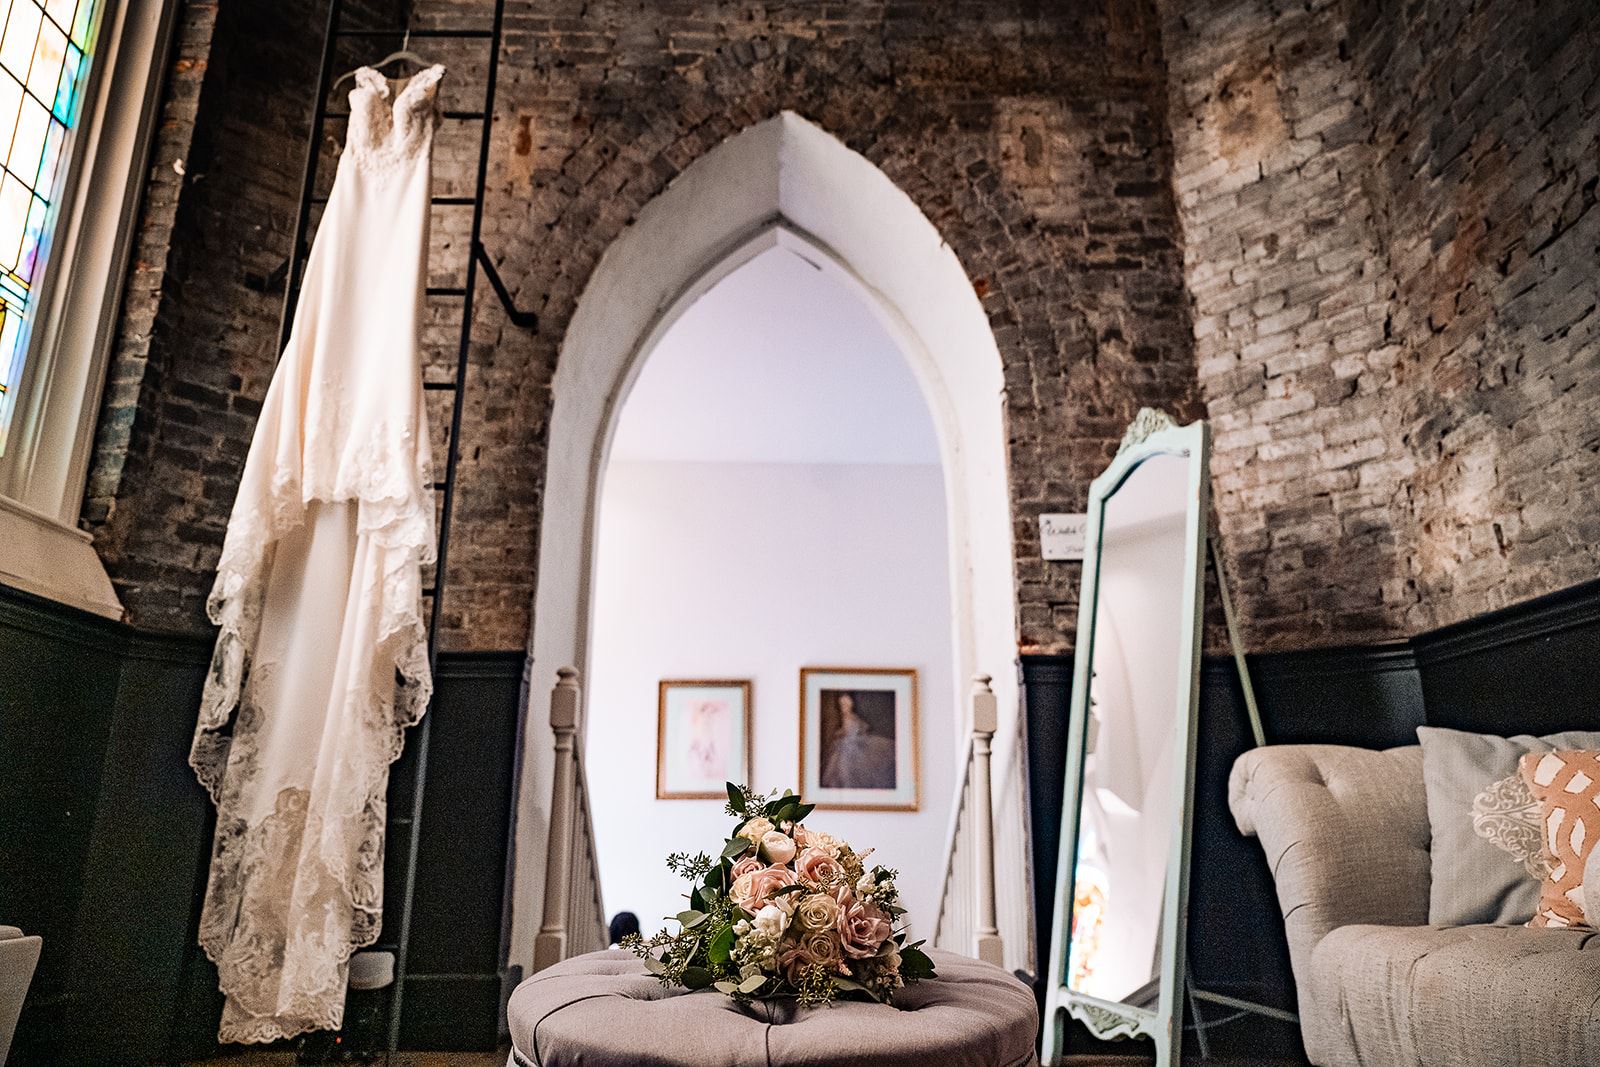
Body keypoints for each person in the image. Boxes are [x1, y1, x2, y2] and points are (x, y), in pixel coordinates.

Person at [820, 692, 896, 789]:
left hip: (853, 745)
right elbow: (849, 729)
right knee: (842, 767)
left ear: (851, 705)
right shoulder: (848, 718)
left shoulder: (851, 717)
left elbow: (854, 729)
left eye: (846, 704)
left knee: (849, 766)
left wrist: (840, 734)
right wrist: (839, 734)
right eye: (842, 705)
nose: (845, 707)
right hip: (846, 745)